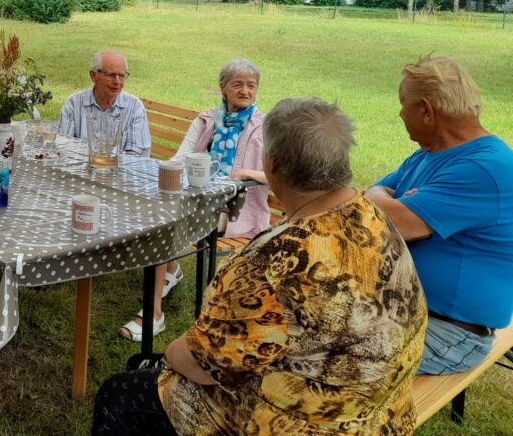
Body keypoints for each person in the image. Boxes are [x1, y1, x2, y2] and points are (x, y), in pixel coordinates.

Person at [92, 97, 427, 436]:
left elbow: (204, 365)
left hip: (306, 424)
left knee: (121, 393)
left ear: (272, 164)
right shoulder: (374, 217)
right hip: (382, 411)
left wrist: (169, 356)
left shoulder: (273, 263)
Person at [365, 54, 513, 375]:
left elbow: (394, 222)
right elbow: (369, 203)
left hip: (449, 333)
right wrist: (383, 200)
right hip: (403, 311)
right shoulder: (427, 155)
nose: (400, 113)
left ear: (426, 110)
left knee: (319, 357)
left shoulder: (486, 167)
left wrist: (388, 203)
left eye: (403, 104)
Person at [120, 59, 269, 341]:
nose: (245, 91)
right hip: (197, 201)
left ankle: (154, 313)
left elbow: (282, 175)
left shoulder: (265, 127)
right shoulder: (207, 120)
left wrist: (247, 174)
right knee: (161, 219)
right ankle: (167, 277)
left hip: (235, 212)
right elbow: (180, 157)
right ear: (223, 87)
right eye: (237, 84)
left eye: (251, 85)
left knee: (165, 226)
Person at [58, 50, 150, 156]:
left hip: (121, 167)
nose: (117, 82)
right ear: (93, 76)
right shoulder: (74, 104)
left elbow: (135, 156)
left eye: (122, 76)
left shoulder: (134, 107)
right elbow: (62, 148)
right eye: (111, 75)